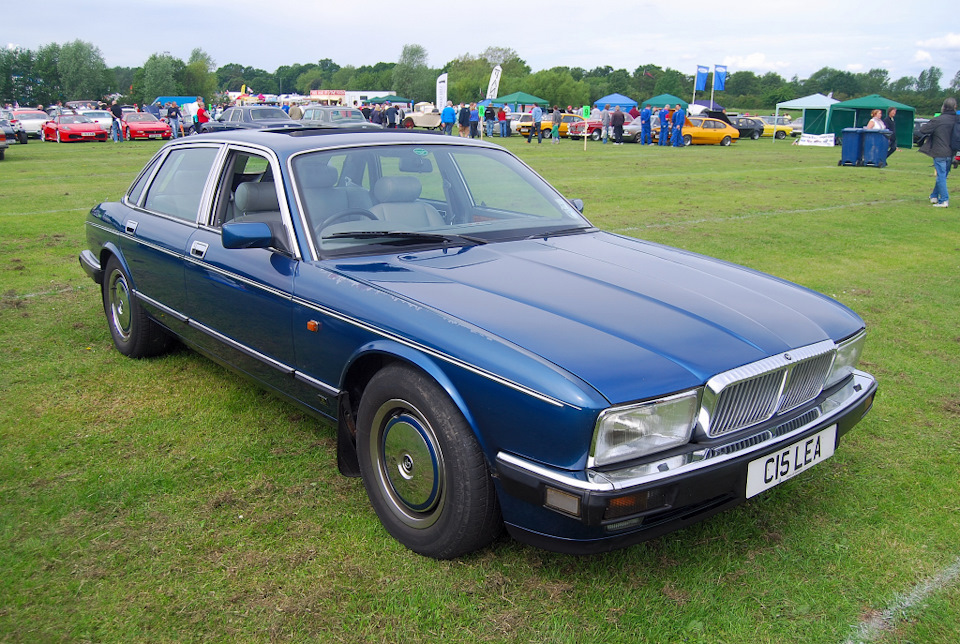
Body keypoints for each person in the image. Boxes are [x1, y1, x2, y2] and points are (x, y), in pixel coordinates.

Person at [917, 97, 958, 208]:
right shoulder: (957, 119)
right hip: (952, 152)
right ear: (955, 107)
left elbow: (923, 130)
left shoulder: (939, 119)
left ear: (943, 107)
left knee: (941, 176)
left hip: (940, 151)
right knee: (943, 175)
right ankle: (934, 196)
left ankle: (944, 200)